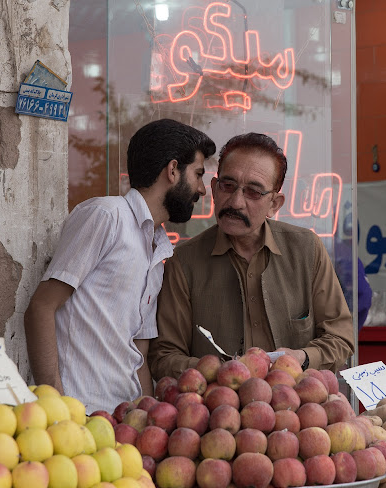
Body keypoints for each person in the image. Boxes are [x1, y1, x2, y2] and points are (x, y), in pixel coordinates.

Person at [24, 118, 217, 413]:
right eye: (199, 174)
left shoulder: (158, 248)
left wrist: (146, 416)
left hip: (122, 421)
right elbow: (41, 307)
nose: (202, 190)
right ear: (173, 169)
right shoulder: (106, 216)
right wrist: (56, 408)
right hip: (78, 414)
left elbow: (138, 350)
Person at [148, 132, 354, 379]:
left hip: (298, 410)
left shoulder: (306, 250)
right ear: (214, 189)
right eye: (228, 186)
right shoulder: (183, 263)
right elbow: (164, 358)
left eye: (253, 192)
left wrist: (303, 358)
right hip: (218, 412)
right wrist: (221, 373)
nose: (235, 202)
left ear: (275, 204)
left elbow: (341, 337)